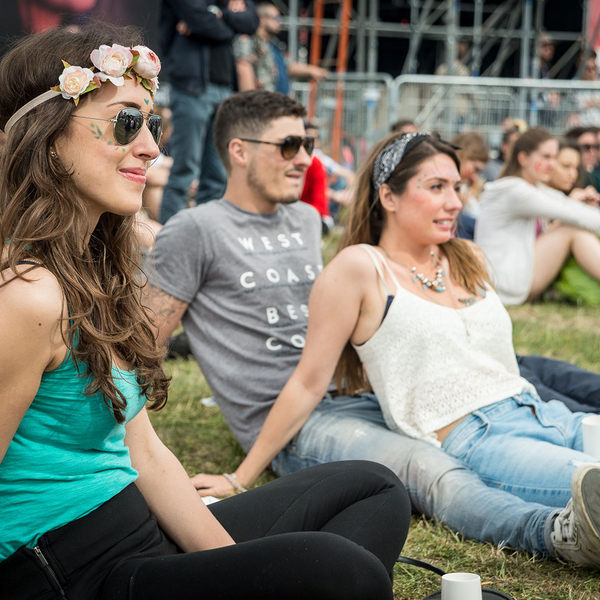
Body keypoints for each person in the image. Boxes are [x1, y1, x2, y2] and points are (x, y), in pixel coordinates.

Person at [0, 27, 413, 600]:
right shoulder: (27, 295)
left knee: (373, 487)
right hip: (76, 573)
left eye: (153, 125)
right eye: (126, 123)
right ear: (47, 141)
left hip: (140, 534)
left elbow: (141, 450)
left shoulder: (94, 273)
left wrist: (236, 573)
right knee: (346, 571)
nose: (151, 148)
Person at [148, 93, 600, 563]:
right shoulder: (195, 229)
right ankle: (554, 530)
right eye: (289, 145)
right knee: (428, 465)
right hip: (291, 415)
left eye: (307, 142)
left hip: (364, 393)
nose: (305, 157)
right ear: (239, 150)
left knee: (533, 371)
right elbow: (147, 348)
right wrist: (235, 476)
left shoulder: (303, 219)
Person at [158, 0, 259, 224]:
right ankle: (168, 242)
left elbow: (251, 21)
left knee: (218, 177)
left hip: (225, 90)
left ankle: (204, 240)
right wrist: (229, 21)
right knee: (185, 171)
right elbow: (200, 20)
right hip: (192, 89)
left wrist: (216, 14)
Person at [475, 128, 600, 305]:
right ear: (523, 159)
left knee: (573, 227)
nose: (552, 164)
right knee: (572, 229)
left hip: (509, 280)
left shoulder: (527, 188)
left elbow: (568, 207)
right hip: (505, 284)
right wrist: (577, 207)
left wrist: (577, 204)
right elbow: (573, 214)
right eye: (546, 157)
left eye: (554, 157)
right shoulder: (515, 191)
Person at [546, 141, 600, 306]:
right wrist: (573, 209)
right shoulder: (539, 197)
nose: (572, 174)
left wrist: (586, 210)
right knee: (577, 230)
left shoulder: (566, 195)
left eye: (576, 168)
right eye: (566, 166)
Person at [234, 1, 329, 94]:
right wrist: (251, 101)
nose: (279, 22)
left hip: (277, 103)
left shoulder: (274, 45)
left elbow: (287, 67)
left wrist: (311, 71)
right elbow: (244, 71)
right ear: (262, 20)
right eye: (276, 18)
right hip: (261, 103)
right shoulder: (249, 41)